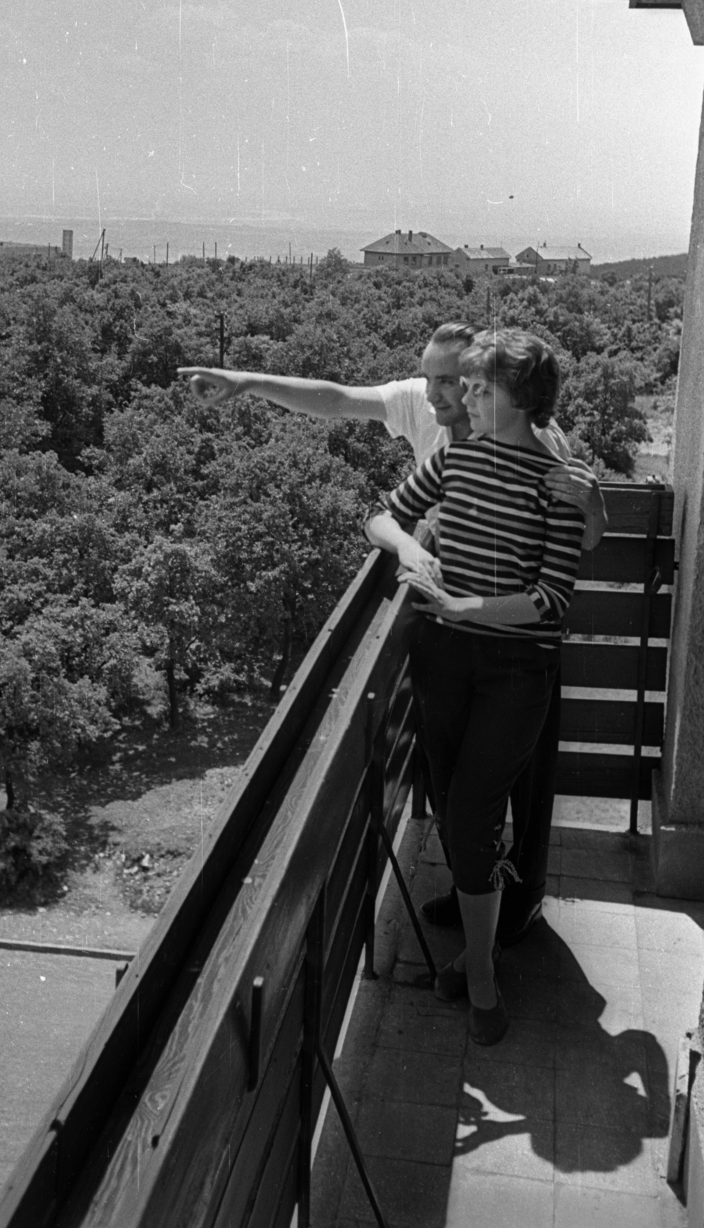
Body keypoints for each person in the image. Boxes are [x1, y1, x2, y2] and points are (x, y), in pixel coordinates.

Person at [178, 326, 606, 940]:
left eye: (451, 381)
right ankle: (474, 902)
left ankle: (523, 903)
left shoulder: (535, 438)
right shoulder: (433, 424)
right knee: (455, 788)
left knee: (522, 786)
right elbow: (335, 399)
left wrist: (593, 504)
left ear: (484, 385)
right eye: (428, 377)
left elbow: (579, 537)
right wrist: (245, 382)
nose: (432, 394)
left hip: (515, 639)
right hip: (450, 632)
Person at [365, 328, 585, 1044]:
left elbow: (553, 598)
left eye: (481, 389)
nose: (463, 399)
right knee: (465, 815)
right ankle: (475, 950)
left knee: (470, 815)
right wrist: (409, 551)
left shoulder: (554, 480)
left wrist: (468, 607)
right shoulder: (457, 461)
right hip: (443, 658)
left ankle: (483, 974)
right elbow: (382, 516)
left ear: (519, 402)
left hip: (516, 671)